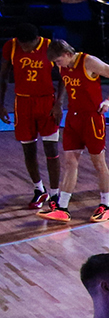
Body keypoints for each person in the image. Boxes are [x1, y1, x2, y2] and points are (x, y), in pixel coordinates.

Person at [37, 41, 109, 223]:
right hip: (73, 118)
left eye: (59, 61)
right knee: (70, 162)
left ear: (68, 53)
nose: (58, 65)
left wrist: (108, 100)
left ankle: (106, 206)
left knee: (98, 162)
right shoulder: (63, 67)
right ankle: (63, 207)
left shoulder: (89, 62)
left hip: (92, 118)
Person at [3, 24, 64, 210]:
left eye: (26, 45)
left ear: (36, 40)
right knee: (28, 151)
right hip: (22, 103)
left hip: (46, 102)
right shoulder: (11, 46)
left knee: (51, 151)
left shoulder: (50, 47)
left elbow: (64, 75)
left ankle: (54, 194)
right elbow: (2, 76)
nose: (23, 48)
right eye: (21, 45)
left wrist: (59, 103)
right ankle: (39, 189)